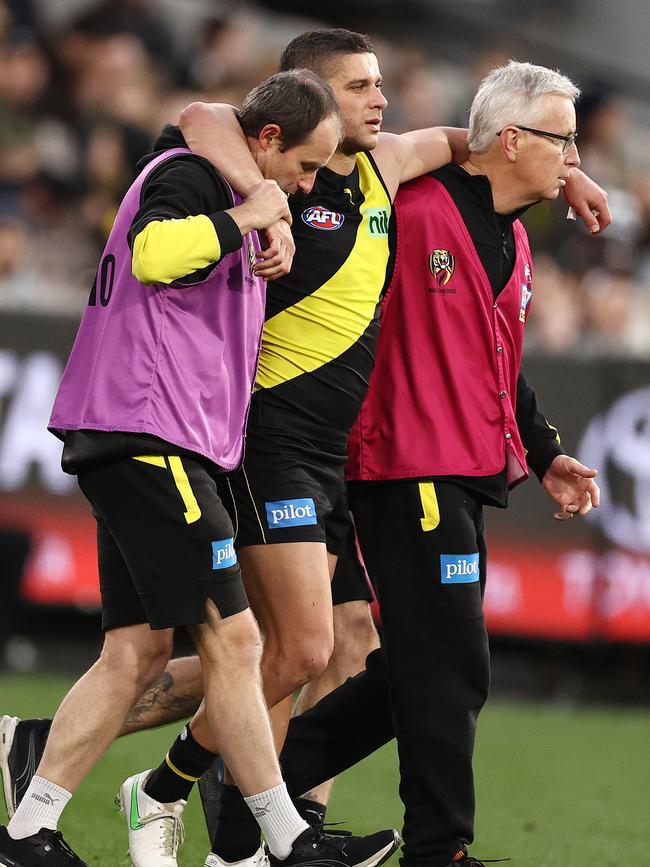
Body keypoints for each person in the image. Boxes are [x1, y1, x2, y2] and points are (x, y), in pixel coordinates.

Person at [0, 33, 611, 867]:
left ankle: (137, 786)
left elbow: (468, 146)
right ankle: (241, 825)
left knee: (316, 640)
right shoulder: (251, 173)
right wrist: (258, 200)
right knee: (290, 646)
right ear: (300, 106)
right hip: (259, 437)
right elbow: (205, 117)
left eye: (381, 83)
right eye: (359, 85)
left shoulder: (381, 170)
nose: (381, 99)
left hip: (323, 451)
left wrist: (566, 169)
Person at [0, 69, 374, 867]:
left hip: (141, 431)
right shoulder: (194, 176)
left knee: (133, 651)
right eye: (304, 166)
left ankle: (28, 830)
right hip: (151, 432)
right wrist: (247, 214)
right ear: (268, 139)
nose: (305, 185)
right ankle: (286, 837)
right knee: (235, 639)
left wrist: (254, 220)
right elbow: (154, 251)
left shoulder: (215, 175)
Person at [340, 60, 601, 866]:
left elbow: (499, 360)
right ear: (511, 139)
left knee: (434, 666)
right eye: (564, 140)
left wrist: (548, 449)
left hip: (459, 468)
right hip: (404, 464)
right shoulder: (410, 211)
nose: (574, 157)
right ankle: (438, 848)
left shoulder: (515, 236)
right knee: (450, 666)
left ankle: (257, 781)